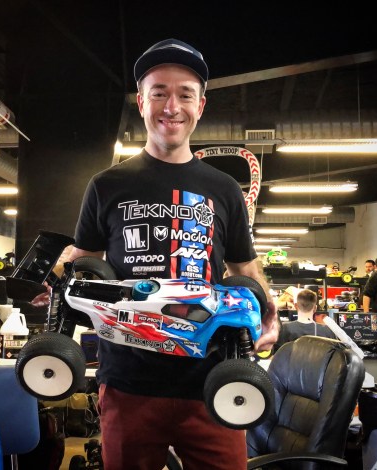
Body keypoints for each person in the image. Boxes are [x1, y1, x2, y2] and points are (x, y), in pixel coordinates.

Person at [39, 38, 279, 470]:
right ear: (141, 102)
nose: (172, 107)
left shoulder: (224, 188)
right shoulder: (107, 185)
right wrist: (56, 278)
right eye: (159, 93)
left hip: (213, 381)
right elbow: (84, 261)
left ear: (200, 106)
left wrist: (268, 310)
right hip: (129, 381)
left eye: (185, 95)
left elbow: (244, 266)